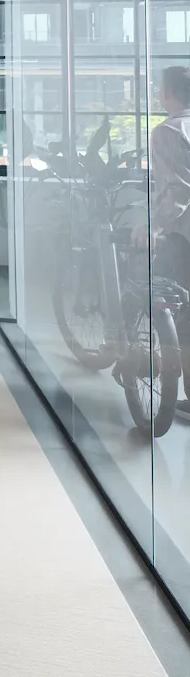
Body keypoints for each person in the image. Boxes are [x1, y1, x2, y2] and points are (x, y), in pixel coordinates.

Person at [143, 65, 190, 416]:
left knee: (178, 312)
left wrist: (153, 226)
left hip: (183, 236)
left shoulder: (169, 130)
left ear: (168, 92)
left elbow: (177, 190)